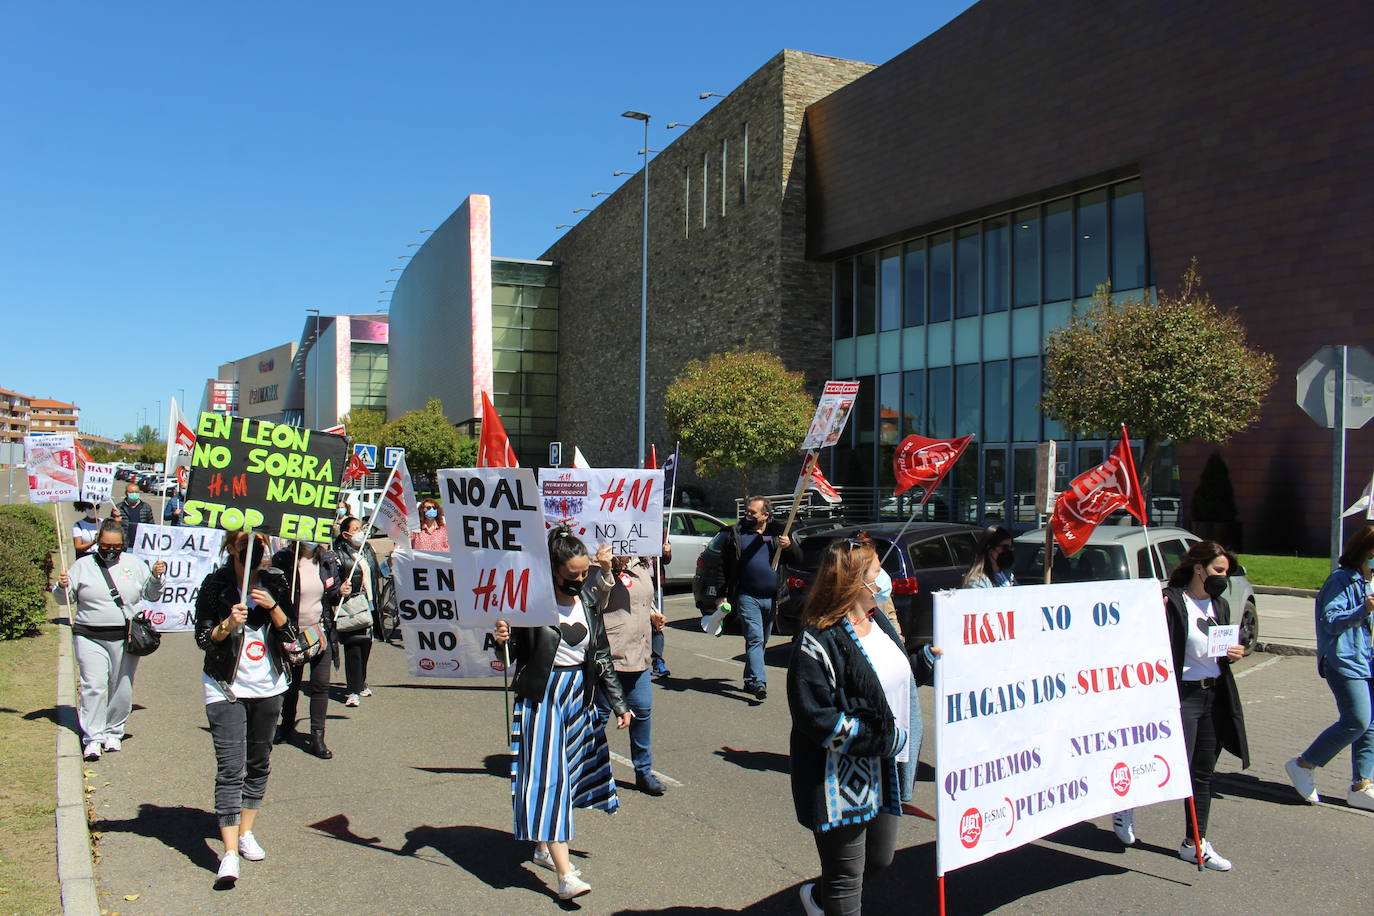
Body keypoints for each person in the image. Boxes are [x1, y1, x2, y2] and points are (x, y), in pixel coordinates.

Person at [787, 537, 939, 915]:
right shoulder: (817, 639)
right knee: (846, 877)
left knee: (880, 861)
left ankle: (816, 900)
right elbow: (815, 717)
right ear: (855, 581)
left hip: (885, 767)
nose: (885, 578)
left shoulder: (879, 621)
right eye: (876, 572)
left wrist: (927, 662)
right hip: (839, 777)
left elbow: (892, 679)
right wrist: (882, 738)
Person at [493, 527, 631, 901]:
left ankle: (542, 847)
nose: (581, 580)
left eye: (584, 573)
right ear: (553, 569)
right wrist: (500, 639)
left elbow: (599, 654)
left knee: (567, 778)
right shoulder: (529, 603)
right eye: (573, 575)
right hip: (542, 697)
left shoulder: (587, 600)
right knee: (549, 780)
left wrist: (618, 703)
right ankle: (566, 875)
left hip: (578, 699)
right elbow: (507, 654)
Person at [1112, 540, 1249, 871]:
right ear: (1199, 568)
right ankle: (1125, 804)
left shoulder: (1220, 605)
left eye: (1227, 573)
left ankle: (1196, 843)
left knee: (1202, 772)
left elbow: (1221, 646)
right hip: (1180, 697)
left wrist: (1234, 652)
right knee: (1164, 763)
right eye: (1218, 570)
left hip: (1212, 695)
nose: (1223, 578)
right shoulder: (1172, 603)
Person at [194, 530, 297, 889]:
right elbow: (203, 639)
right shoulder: (215, 585)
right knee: (230, 769)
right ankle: (229, 854)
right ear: (231, 550)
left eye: (259, 550)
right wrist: (227, 624)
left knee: (258, 762)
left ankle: (246, 833)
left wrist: (272, 606)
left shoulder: (277, 582)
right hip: (225, 686)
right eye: (244, 551)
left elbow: (292, 636)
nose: (253, 557)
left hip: (269, 687)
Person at [54, 520, 165, 761]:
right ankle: (92, 737)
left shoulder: (135, 564)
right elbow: (64, 599)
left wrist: (157, 578)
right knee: (94, 685)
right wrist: (61, 587)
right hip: (89, 635)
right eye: (105, 545)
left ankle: (114, 730)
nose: (111, 550)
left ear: (123, 545)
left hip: (124, 637)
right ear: (97, 542)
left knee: (121, 686)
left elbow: (151, 594)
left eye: (116, 546)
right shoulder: (82, 565)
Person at [1283, 525, 1374, 811]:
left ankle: (1362, 784)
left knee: (1371, 724)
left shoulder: (1369, 581)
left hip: (1369, 659)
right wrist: (1363, 610)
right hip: (1345, 660)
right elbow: (1330, 621)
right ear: (1367, 553)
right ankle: (1303, 764)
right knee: (1356, 720)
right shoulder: (1341, 580)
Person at [590, 537, 671, 796]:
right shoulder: (597, 563)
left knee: (642, 713)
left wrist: (652, 615)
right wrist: (604, 569)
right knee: (598, 718)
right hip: (610, 658)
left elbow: (641, 599)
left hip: (639, 656)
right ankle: (583, 770)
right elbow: (595, 603)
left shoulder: (641, 563)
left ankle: (644, 772)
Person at [701, 496, 803, 700]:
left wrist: (789, 546)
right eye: (747, 511)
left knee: (762, 641)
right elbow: (724, 567)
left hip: (772, 598)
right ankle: (759, 682)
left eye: (752, 512)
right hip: (747, 597)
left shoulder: (779, 533)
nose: (748, 515)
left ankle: (749, 679)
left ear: (766, 515)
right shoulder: (736, 534)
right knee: (755, 638)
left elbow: (798, 560)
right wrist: (721, 595)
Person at [272, 540, 348, 759]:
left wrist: (341, 591)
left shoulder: (327, 561)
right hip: (291, 632)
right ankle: (286, 726)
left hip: (319, 631)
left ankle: (317, 737)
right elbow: (276, 594)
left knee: (320, 685)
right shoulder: (284, 559)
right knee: (291, 684)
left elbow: (332, 596)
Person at [333, 516, 386, 706]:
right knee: (353, 646)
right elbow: (333, 578)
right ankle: (352, 690)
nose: (360, 532)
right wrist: (340, 589)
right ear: (345, 534)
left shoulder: (367, 549)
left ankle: (361, 682)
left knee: (366, 644)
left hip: (370, 603)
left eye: (360, 528)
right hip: (352, 604)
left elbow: (376, 572)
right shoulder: (338, 554)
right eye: (355, 529)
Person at [111, 482, 153, 546]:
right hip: (124, 544)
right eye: (131, 492)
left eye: (136, 492)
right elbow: (110, 527)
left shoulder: (146, 507)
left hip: (141, 544)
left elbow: (151, 525)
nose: (134, 494)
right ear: (126, 493)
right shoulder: (118, 508)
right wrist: (115, 520)